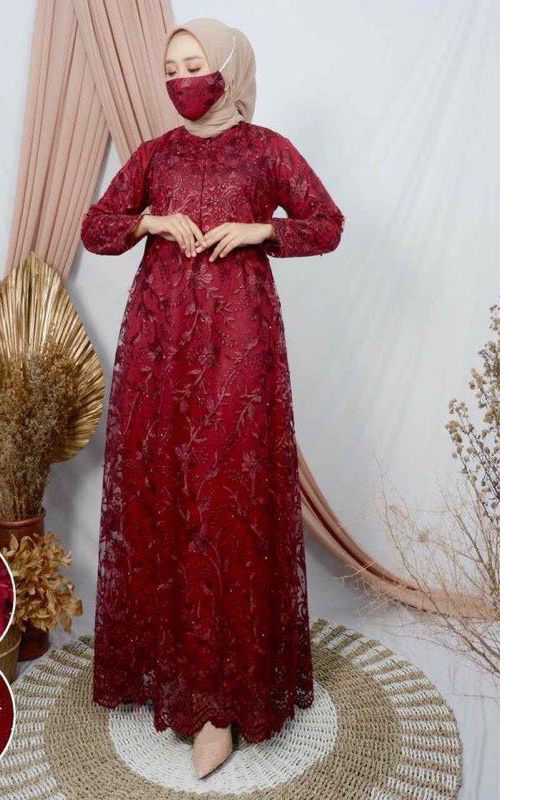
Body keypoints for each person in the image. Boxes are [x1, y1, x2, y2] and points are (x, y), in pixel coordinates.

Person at [81, 16, 344, 779]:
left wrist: (261, 231)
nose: (182, 81)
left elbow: (327, 225)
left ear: (229, 68)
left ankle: (222, 702)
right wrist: (149, 220)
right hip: (159, 348)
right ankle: (175, 675)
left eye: (194, 64)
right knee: (166, 497)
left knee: (225, 502)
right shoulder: (156, 155)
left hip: (239, 348)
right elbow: (96, 228)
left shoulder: (266, 151)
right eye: (171, 70)